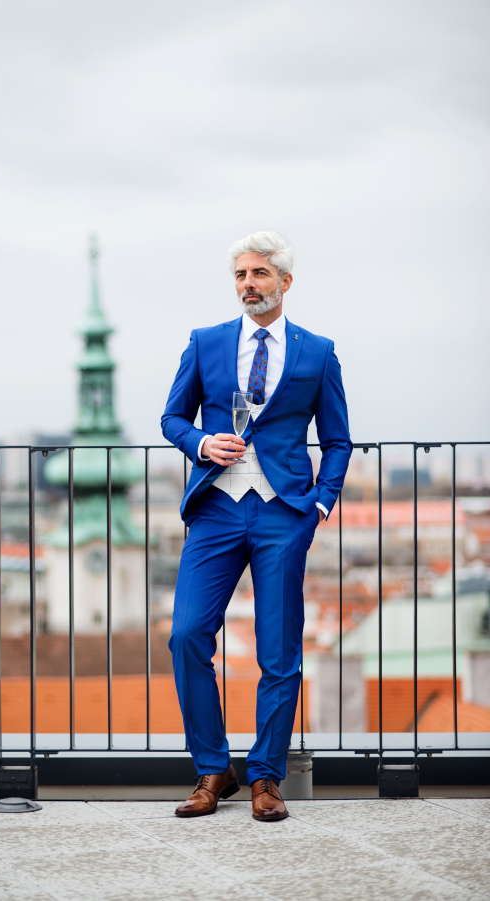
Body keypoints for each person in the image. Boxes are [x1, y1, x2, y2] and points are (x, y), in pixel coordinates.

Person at [161, 231, 352, 821]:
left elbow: (338, 439)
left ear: (284, 282)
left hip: (282, 513)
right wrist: (199, 441)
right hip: (217, 507)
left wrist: (320, 503)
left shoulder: (317, 352)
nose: (249, 283)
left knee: (279, 650)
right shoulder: (206, 343)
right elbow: (172, 417)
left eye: (260, 274)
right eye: (242, 274)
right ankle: (213, 769)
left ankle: (267, 776)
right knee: (187, 633)